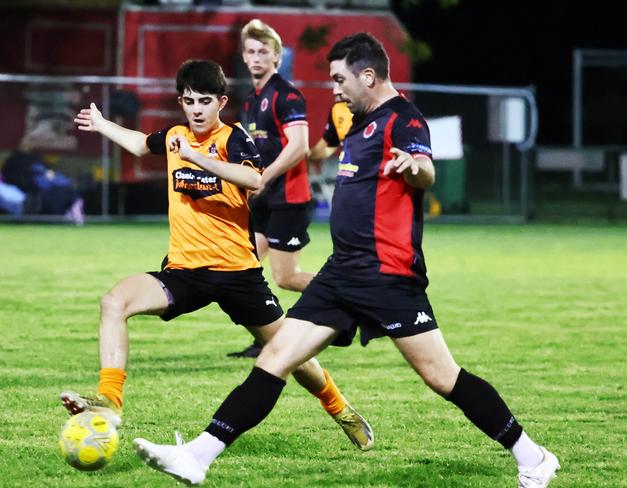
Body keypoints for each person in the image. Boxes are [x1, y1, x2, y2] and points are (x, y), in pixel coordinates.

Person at [132, 35, 560, 488]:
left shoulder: (403, 119)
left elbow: (425, 169)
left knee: (441, 377)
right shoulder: (356, 123)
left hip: (387, 275)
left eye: (340, 80)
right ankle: (198, 456)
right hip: (340, 274)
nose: (334, 90)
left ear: (368, 76)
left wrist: (413, 167)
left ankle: (533, 456)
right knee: (276, 357)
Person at [59, 59, 373, 454]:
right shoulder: (176, 135)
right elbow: (141, 143)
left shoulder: (234, 138)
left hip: (237, 273)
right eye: (189, 101)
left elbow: (255, 179)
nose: (196, 109)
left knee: (289, 354)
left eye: (205, 101)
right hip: (185, 272)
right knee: (114, 301)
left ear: (221, 101)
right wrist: (103, 124)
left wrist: (198, 158)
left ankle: (339, 407)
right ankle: (111, 401)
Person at [227, 19, 314, 359]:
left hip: (288, 199)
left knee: (286, 277)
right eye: (251, 51)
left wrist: (265, 178)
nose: (257, 57)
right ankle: (266, 337)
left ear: (277, 56)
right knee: (242, 268)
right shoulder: (251, 99)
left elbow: (299, 146)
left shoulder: (286, 95)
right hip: (264, 200)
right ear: (244, 57)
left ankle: (349, 297)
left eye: (264, 51)